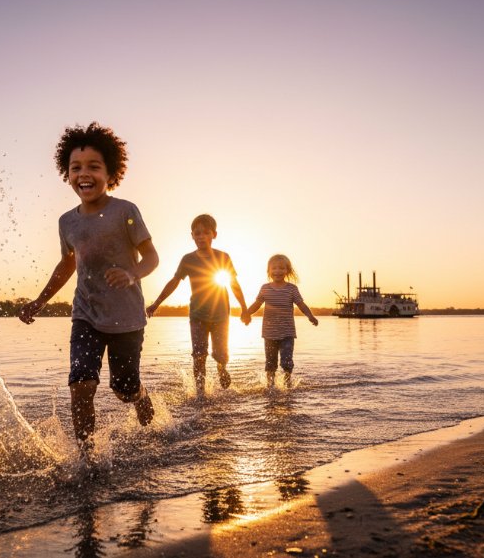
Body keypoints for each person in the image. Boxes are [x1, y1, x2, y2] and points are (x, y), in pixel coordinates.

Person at [18, 122, 157, 444]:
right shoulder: (67, 221)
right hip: (86, 315)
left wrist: (132, 273)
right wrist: (40, 301)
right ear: (66, 174)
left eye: (94, 167)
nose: (84, 174)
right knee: (81, 384)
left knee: (124, 389)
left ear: (111, 173)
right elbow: (68, 263)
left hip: (127, 318)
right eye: (75, 167)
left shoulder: (126, 211)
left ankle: (142, 400)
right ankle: (88, 458)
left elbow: (151, 257)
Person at [145, 214, 249, 393]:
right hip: (197, 315)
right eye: (197, 233)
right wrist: (157, 303)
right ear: (192, 235)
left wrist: (245, 309)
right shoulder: (188, 259)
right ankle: (200, 392)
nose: (201, 237)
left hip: (221, 314)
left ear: (214, 235)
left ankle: (221, 367)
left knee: (220, 354)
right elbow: (174, 281)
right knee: (199, 355)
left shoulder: (223, 257)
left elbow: (234, 283)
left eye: (205, 233)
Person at [245, 254, 318, 388]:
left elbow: (301, 305)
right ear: (269, 271)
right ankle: (270, 386)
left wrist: (310, 316)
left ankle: (287, 384)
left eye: (281, 268)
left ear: (287, 271)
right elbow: (257, 304)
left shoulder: (292, 289)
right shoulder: (265, 288)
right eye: (274, 268)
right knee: (270, 363)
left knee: (286, 361)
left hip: (287, 333)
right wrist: (247, 313)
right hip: (269, 333)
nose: (277, 271)